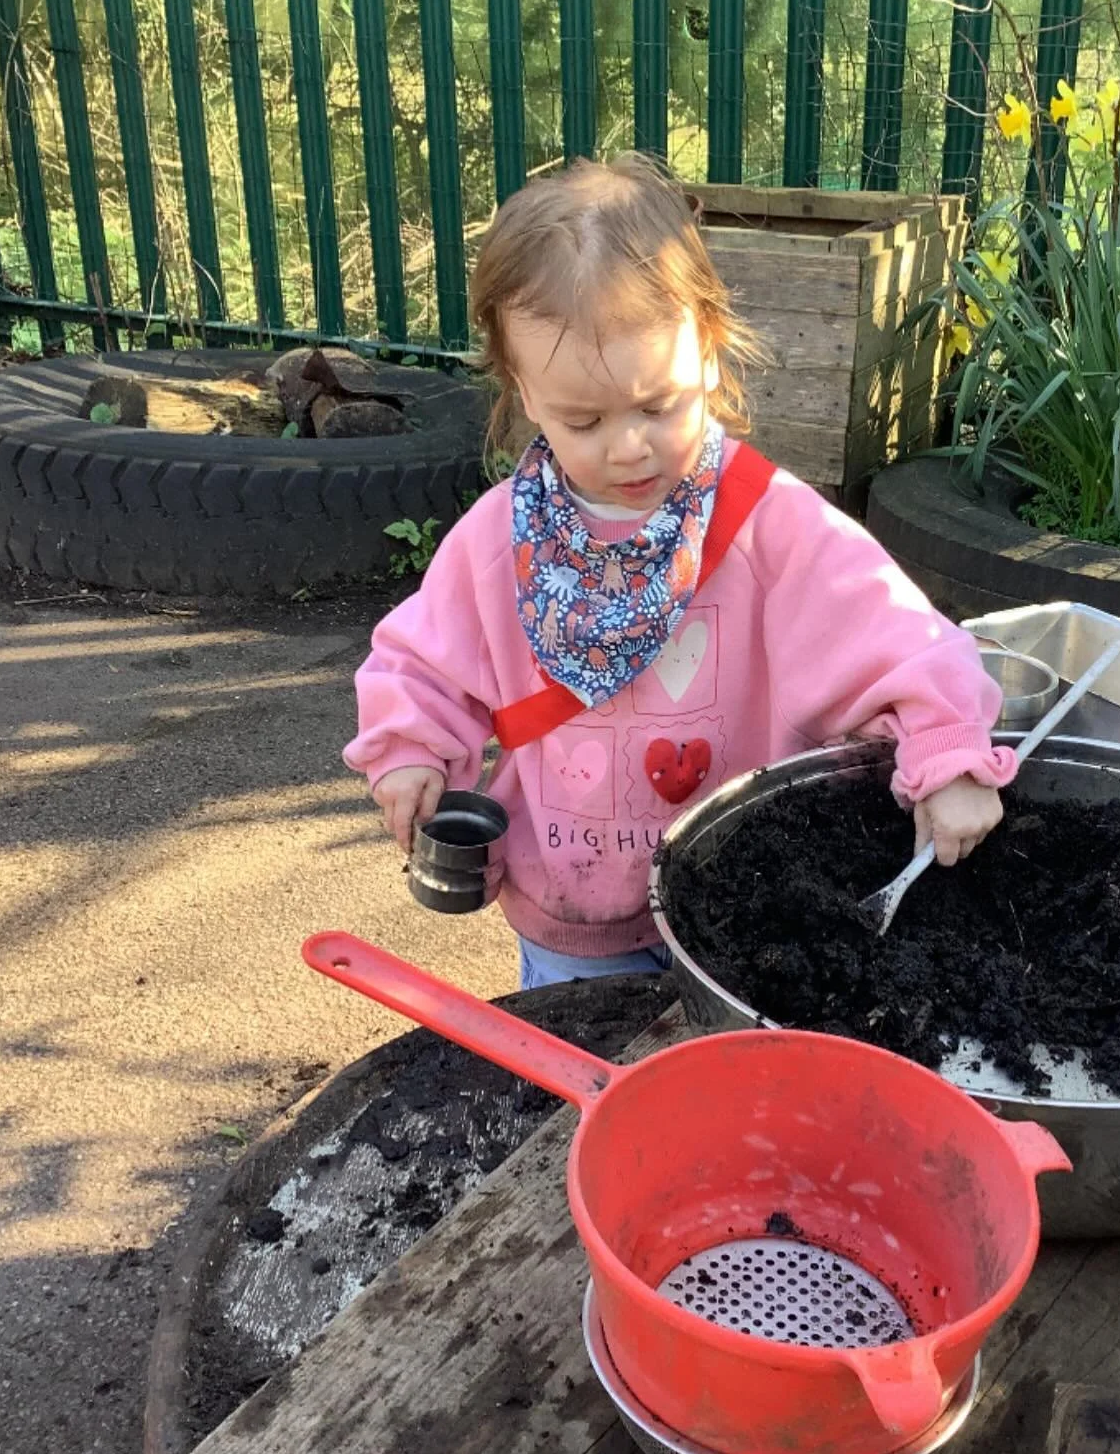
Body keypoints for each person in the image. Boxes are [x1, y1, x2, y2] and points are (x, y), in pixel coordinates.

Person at [344, 154, 1016, 989]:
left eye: (657, 405)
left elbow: (900, 636)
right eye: (582, 420)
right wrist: (409, 750)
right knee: (586, 1091)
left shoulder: (769, 523)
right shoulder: (501, 540)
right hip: (574, 917)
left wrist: (948, 754)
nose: (628, 446)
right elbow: (419, 663)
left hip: (746, 903)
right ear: (522, 389)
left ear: (708, 344)